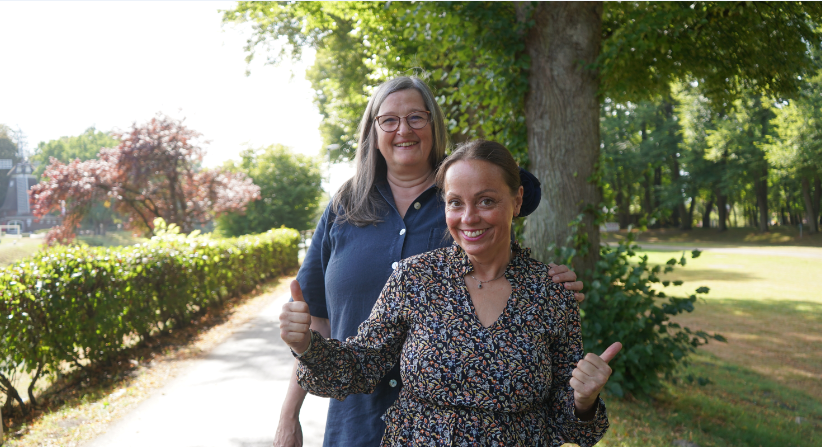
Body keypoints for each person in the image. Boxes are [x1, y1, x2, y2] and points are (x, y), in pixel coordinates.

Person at [275, 77, 585, 446]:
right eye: (388, 120)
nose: (403, 129)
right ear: (372, 131)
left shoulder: (464, 196)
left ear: (433, 124)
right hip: (356, 418)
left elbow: (506, 276)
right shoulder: (345, 207)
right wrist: (289, 412)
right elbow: (318, 321)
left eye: (416, 117)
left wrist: (550, 285)